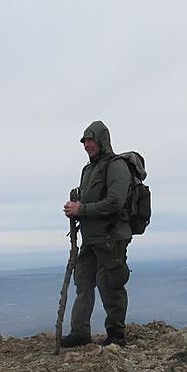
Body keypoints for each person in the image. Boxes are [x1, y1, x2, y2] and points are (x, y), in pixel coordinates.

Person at [61, 120, 132, 347]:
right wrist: (76, 211)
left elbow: (115, 202)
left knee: (111, 285)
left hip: (111, 238)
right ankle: (80, 333)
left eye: (90, 140)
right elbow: (90, 202)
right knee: (83, 283)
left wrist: (82, 209)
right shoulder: (89, 170)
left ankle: (116, 335)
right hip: (91, 239)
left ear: (102, 140)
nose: (87, 145)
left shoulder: (116, 166)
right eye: (84, 141)